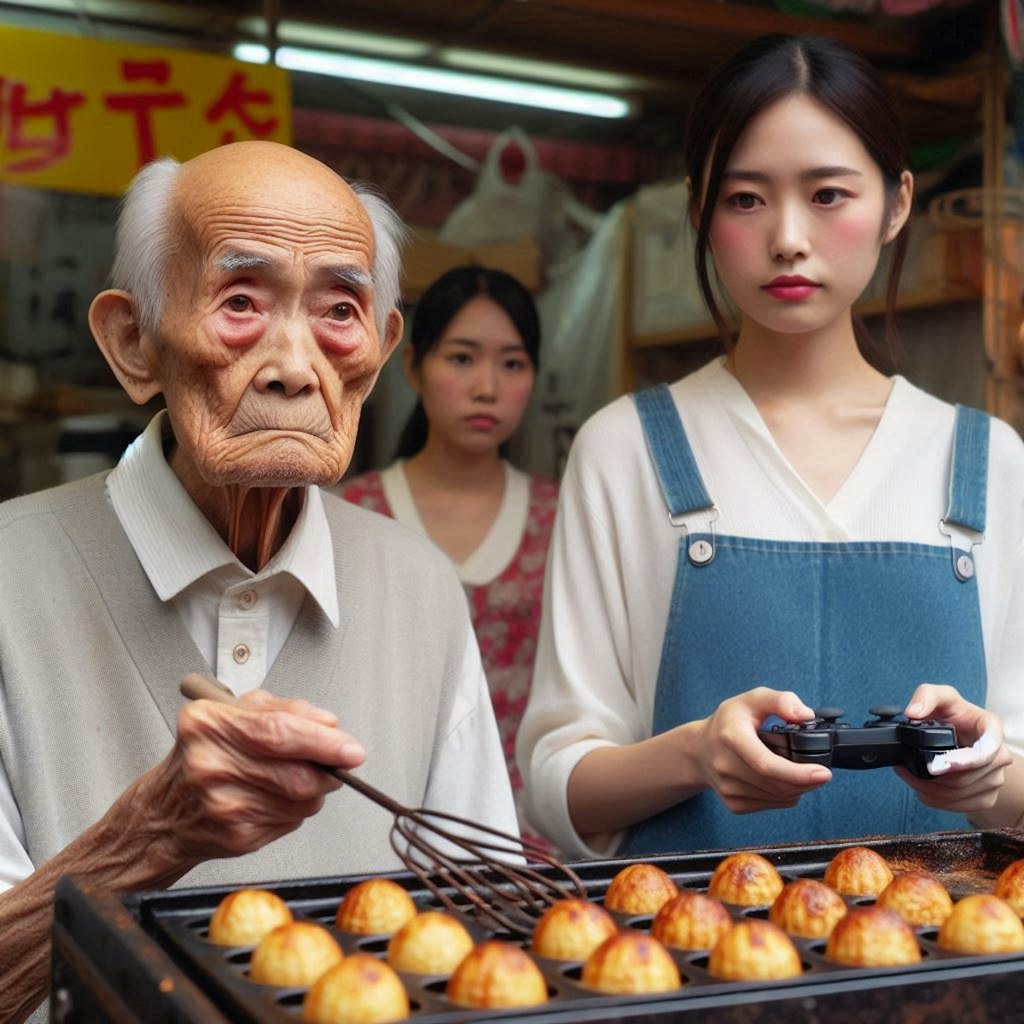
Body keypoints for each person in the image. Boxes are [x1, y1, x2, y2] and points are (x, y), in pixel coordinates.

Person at [0, 142, 517, 1023]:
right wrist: (148, 837)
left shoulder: (420, 586)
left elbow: (484, 938)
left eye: (339, 312)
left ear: (381, 351)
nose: (292, 365)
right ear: (134, 341)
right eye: (240, 303)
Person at [517, 34, 1024, 860]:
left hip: (946, 970)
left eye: (828, 194)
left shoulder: (990, 462)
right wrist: (694, 755)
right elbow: (555, 780)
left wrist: (985, 778)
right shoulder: (626, 451)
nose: (788, 237)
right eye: (746, 199)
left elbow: (1020, 773)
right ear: (699, 210)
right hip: (691, 968)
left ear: (897, 202)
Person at [341, 266, 558, 847]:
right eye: (461, 358)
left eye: (512, 364)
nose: (487, 386)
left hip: (534, 843)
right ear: (412, 366)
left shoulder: (563, 517)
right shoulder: (349, 517)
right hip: (380, 832)